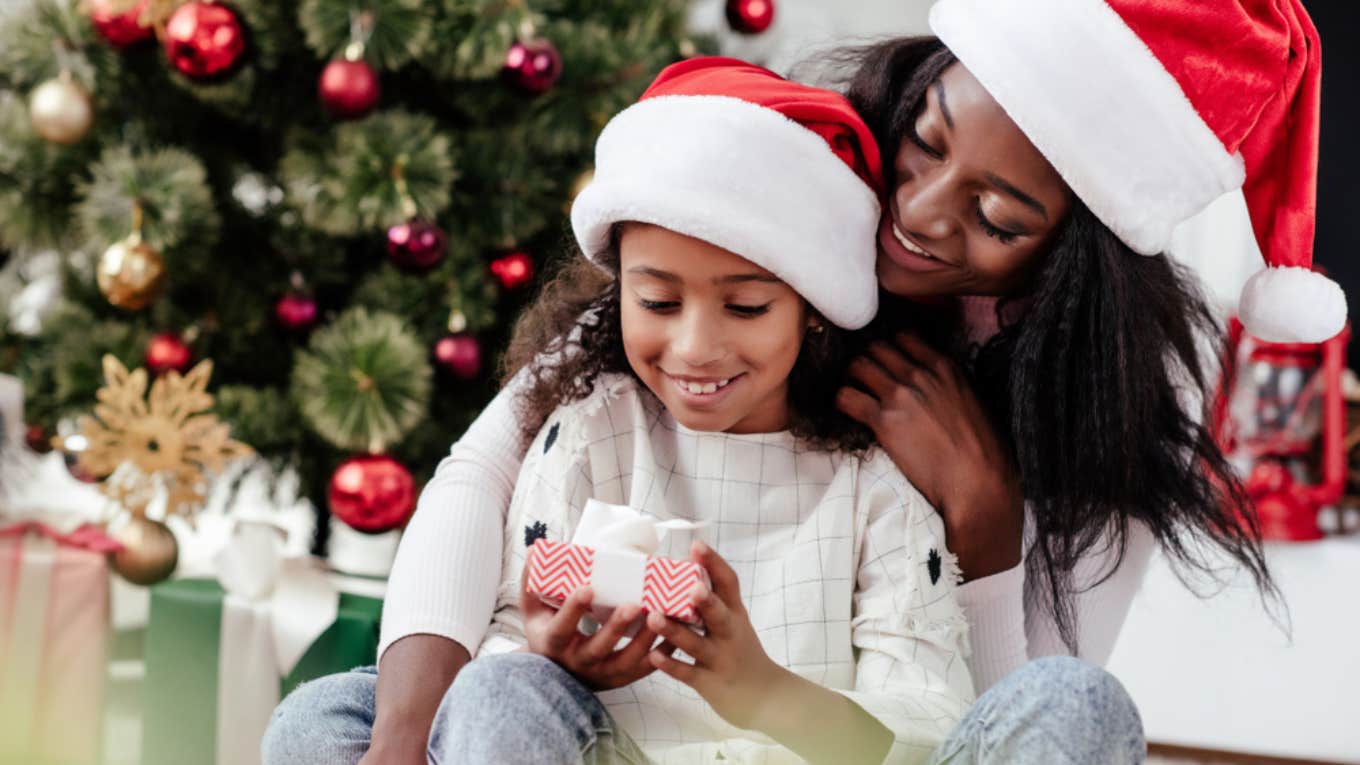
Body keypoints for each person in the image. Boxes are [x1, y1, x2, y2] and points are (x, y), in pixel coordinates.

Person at [275, 1, 1341, 763]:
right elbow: (479, 482)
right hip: (627, 736)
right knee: (335, 719)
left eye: (999, 217)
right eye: (921, 146)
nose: (919, 216)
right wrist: (414, 738)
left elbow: (985, 720)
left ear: (1074, 262)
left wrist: (982, 523)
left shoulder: (1064, 415)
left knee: (1079, 704)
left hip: (852, 735)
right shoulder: (754, 210)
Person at [266, 58, 974, 764]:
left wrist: (762, 691)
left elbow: (927, 736)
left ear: (814, 308)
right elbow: (506, 628)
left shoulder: (871, 488)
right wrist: (551, 654)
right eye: (658, 302)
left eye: (748, 306)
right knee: (322, 717)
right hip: (577, 741)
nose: (696, 348)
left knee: (497, 694)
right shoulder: (594, 426)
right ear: (619, 291)